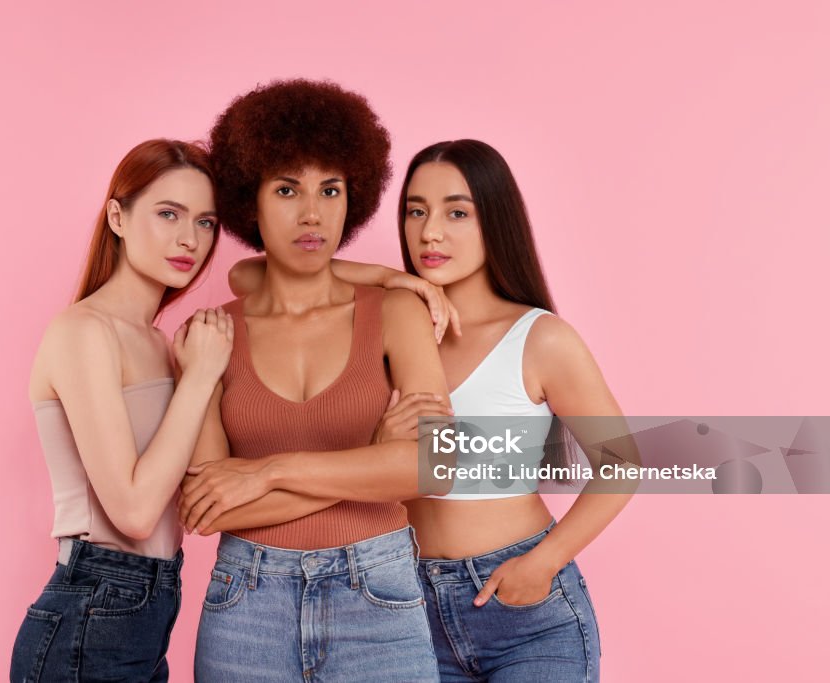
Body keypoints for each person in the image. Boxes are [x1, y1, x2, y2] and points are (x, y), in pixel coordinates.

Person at [225, 139, 631, 682]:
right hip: (400, 597)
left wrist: (542, 564)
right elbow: (247, 274)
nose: (429, 233)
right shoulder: (387, 322)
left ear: (495, 220)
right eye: (416, 211)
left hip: (524, 609)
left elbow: (622, 463)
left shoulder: (539, 337)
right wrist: (392, 278)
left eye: (456, 213)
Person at [182, 80, 445, 682]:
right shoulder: (213, 334)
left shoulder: (397, 313)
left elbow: (438, 467)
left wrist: (268, 472)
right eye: (287, 190)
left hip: (378, 596)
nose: (312, 213)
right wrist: (374, 461)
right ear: (251, 202)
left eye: (330, 189)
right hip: (247, 605)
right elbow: (208, 506)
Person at [10, 139, 233, 683]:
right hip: (93, 605)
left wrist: (394, 280)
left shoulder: (163, 344)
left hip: (149, 608)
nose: (190, 239)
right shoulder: (84, 332)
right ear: (117, 217)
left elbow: (200, 495)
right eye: (168, 214)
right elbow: (133, 513)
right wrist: (199, 378)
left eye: (205, 222)